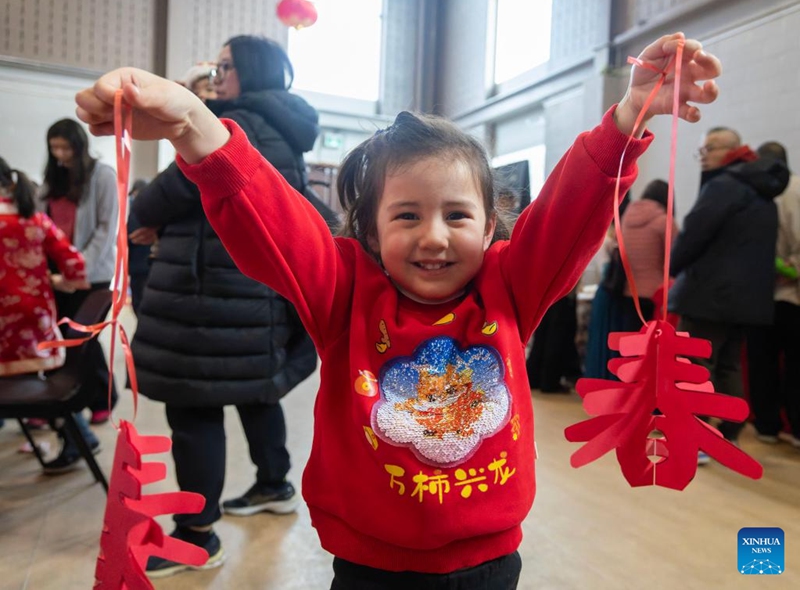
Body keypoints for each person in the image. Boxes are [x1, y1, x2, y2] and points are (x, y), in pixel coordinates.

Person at [77, 32, 720, 590]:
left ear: (492, 224)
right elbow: (272, 217)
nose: (434, 237)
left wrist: (631, 112)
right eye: (406, 216)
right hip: (369, 567)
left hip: (488, 564)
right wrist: (195, 123)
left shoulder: (511, 285)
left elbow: (569, 209)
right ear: (371, 231)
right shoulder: (345, 291)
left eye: (458, 215)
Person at [128, 35, 319, 578]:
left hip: (209, 294)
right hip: (249, 293)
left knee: (195, 407)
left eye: (226, 66)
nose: (218, 74)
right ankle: (274, 483)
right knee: (257, 393)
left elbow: (160, 195)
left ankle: (196, 534)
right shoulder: (282, 127)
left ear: (249, 71)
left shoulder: (236, 127)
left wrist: (153, 212)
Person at [669, 128, 789, 453]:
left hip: (709, 296)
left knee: (695, 365)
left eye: (710, 147)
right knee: (728, 366)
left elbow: (693, 233)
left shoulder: (724, 185)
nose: (704, 155)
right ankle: (730, 434)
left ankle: (698, 438)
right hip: (746, 302)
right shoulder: (763, 193)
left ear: (732, 149)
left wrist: (671, 269)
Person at [0, 157, 99, 458]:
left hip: (4, 324)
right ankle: (78, 435)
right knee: (42, 384)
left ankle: (74, 436)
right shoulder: (35, 219)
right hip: (37, 319)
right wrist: (63, 280)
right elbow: (73, 260)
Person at [38, 118, 119, 461]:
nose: (60, 155)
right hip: (57, 272)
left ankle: (103, 397)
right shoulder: (51, 179)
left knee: (85, 338)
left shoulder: (102, 175)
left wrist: (78, 266)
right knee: (65, 338)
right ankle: (80, 400)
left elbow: (106, 226)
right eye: (54, 148)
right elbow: (42, 222)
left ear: (79, 146)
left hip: (90, 272)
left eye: (65, 148)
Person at [745, 141, 800, 448]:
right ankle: (795, 427)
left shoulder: (755, 192)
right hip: (790, 296)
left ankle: (767, 425)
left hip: (761, 294)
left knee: (762, 363)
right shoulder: (794, 190)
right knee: (793, 365)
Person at [618, 179, 677, 330]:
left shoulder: (626, 217)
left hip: (629, 292)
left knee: (631, 346)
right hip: (656, 295)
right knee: (653, 349)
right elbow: (676, 259)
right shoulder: (664, 221)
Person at [126, 179, 150, 315]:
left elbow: (130, 236)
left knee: (139, 304)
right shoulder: (153, 210)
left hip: (139, 265)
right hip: (144, 265)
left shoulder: (135, 211)